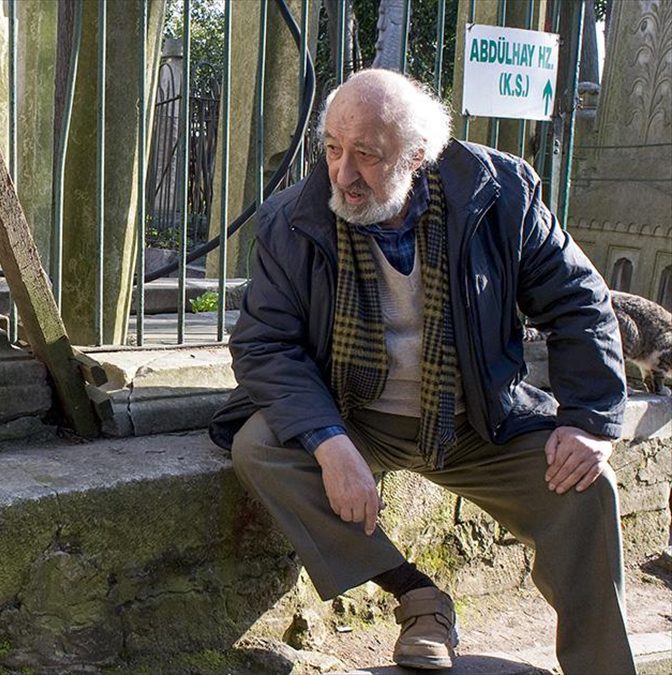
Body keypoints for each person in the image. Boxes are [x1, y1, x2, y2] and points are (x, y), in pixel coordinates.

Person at [210, 69, 634, 673]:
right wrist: (329, 442)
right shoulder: (294, 219)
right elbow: (264, 344)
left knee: (587, 489)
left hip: (479, 419)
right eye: (332, 148)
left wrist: (591, 421)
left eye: (367, 155)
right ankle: (418, 596)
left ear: (418, 156)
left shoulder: (499, 194)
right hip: (358, 415)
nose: (343, 174)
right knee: (261, 448)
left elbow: (578, 299)